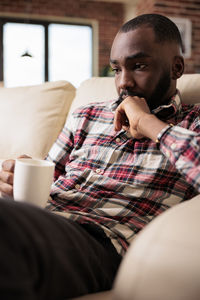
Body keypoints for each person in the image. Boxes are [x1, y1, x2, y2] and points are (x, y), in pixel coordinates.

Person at [0, 13, 200, 299]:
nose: (123, 83)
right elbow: (46, 179)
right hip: (46, 222)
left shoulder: (192, 124)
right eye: (117, 69)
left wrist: (147, 123)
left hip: (101, 243)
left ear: (176, 67)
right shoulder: (88, 114)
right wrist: (13, 181)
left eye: (139, 66)